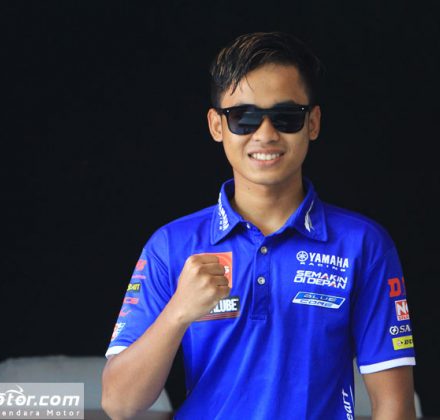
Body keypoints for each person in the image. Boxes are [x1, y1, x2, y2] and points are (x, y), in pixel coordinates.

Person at [101, 32, 417, 420]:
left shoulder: (362, 244)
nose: (265, 134)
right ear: (217, 125)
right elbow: (119, 404)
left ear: (313, 123)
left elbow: (394, 406)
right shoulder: (171, 245)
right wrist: (178, 312)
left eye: (287, 117)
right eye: (243, 117)